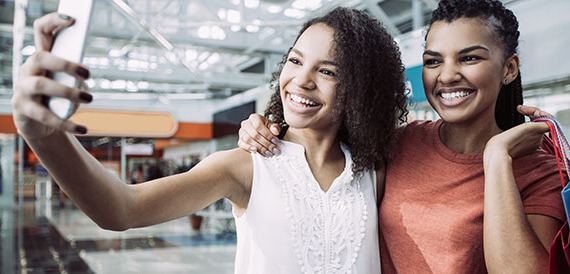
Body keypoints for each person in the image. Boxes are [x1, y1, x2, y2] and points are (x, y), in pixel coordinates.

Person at [11, 7, 409, 273]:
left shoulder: (372, 172)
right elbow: (121, 209)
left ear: (361, 90)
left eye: (328, 71)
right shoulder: (245, 166)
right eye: (294, 60)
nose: (301, 80)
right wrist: (44, 137)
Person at [236, 0, 566, 273]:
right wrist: (263, 128)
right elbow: (318, 144)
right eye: (433, 61)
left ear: (509, 68)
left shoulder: (538, 171)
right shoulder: (400, 144)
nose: (447, 75)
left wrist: (496, 159)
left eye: (469, 58)